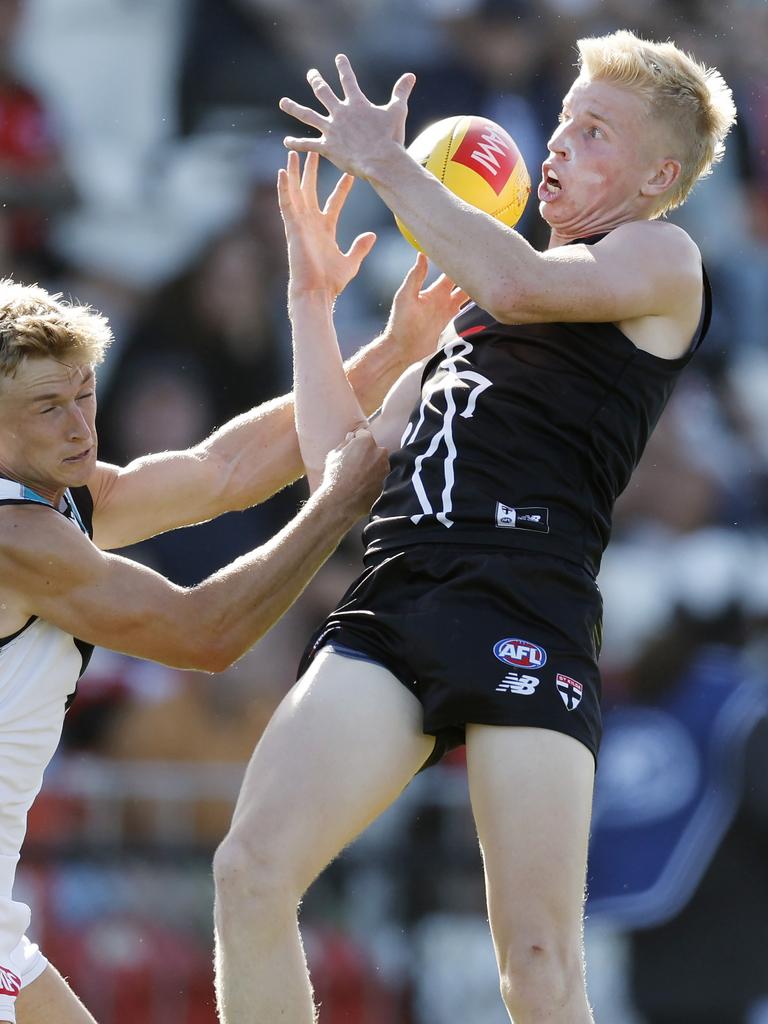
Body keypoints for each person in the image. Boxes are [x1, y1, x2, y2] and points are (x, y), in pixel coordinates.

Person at [211, 28, 737, 1024]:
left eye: (593, 132)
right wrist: (311, 302)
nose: (558, 144)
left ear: (659, 173)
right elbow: (341, 469)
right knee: (249, 870)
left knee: (537, 965)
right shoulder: (464, 327)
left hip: (528, 602)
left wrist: (390, 164)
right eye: (565, 121)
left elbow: (523, 283)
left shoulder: (660, 256)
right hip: (398, 596)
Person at [0, 197, 462, 1024]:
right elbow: (203, 633)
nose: (81, 427)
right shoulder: (18, 536)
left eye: (84, 395)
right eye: (48, 408)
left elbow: (223, 469)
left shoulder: (53, 498)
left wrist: (393, 348)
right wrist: (331, 510)